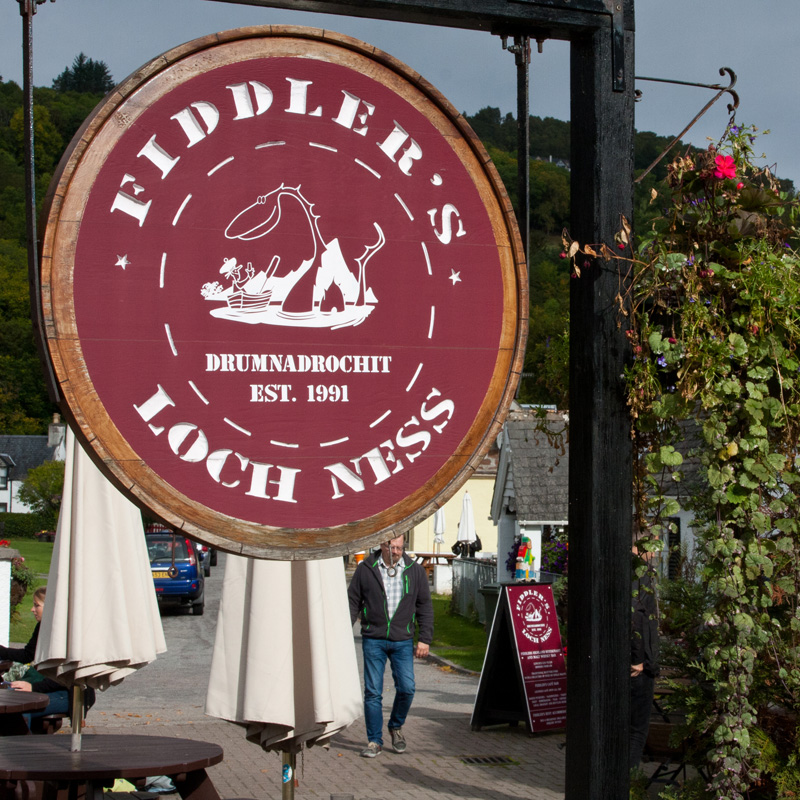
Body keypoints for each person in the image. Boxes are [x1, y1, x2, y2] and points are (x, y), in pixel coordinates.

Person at [348, 534, 434, 758]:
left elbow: (424, 606)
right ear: (382, 545)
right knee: (373, 692)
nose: (395, 552)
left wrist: (424, 638)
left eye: (399, 547)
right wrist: (345, 631)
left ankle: (395, 726)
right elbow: (353, 602)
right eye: (391, 547)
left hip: (402, 639)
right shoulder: (366, 569)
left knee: (407, 688)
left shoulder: (415, 571)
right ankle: (374, 741)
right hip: (373, 638)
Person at [0, 587, 70, 721]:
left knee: (21, 708)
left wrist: (32, 687)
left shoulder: (64, 633)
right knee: (10, 697)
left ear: (50, 607)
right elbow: (27, 655)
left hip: (66, 693)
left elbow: (64, 677)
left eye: (37, 605)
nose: (32, 609)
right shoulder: (42, 627)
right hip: (47, 687)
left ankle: (24, 735)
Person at [630, 560, 660, 770]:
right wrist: (638, 659)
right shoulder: (640, 571)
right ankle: (626, 781)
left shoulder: (616, 564)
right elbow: (635, 614)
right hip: (638, 666)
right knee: (636, 730)